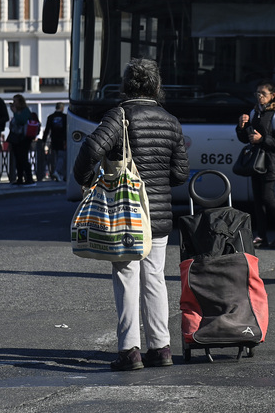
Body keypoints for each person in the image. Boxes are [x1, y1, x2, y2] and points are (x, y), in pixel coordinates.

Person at [73, 58, 190, 371]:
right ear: (156, 86)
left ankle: (129, 351)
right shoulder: (170, 120)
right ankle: (161, 349)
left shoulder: (120, 115)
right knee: (155, 279)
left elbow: (91, 148)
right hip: (159, 216)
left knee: (126, 277)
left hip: (126, 212)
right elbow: (180, 174)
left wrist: (83, 177)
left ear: (127, 85)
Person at [235, 80, 275, 248]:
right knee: (258, 200)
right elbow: (245, 138)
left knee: (268, 197)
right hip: (255, 162)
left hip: (270, 162)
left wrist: (262, 139)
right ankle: (261, 235)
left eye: (263, 94)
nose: (260, 97)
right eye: (257, 94)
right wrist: (241, 126)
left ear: (272, 96)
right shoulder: (254, 113)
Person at [8, 94, 35, 187]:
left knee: (23, 158)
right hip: (15, 139)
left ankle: (29, 178)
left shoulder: (25, 111)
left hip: (23, 139)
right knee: (18, 159)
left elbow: (21, 121)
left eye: (15, 101)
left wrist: (15, 112)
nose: (14, 103)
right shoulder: (16, 112)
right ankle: (19, 178)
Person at [42, 102, 67, 181]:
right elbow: (66, 130)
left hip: (53, 140)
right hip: (62, 140)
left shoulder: (51, 117)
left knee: (55, 157)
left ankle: (59, 174)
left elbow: (47, 130)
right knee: (62, 157)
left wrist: (44, 140)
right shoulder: (65, 117)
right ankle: (57, 171)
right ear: (62, 108)